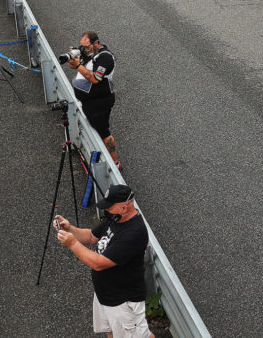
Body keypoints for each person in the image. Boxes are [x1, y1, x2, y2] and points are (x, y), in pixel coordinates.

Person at [54, 184, 152, 338]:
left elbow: (99, 263)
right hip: (106, 295)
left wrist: (73, 244)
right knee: (112, 331)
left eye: (110, 207)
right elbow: (90, 237)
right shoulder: (115, 219)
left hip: (124, 301)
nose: (106, 210)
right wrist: (70, 229)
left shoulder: (134, 233)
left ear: (124, 207)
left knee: (138, 335)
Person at [70, 31, 119, 164]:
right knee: (94, 128)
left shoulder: (105, 58)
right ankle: (98, 156)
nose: (84, 49)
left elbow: (95, 79)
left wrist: (77, 66)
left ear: (96, 43)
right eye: (82, 46)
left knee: (103, 132)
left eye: (87, 46)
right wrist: (74, 58)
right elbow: (79, 68)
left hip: (100, 102)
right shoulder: (90, 54)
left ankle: (115, 163)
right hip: (90, 101)